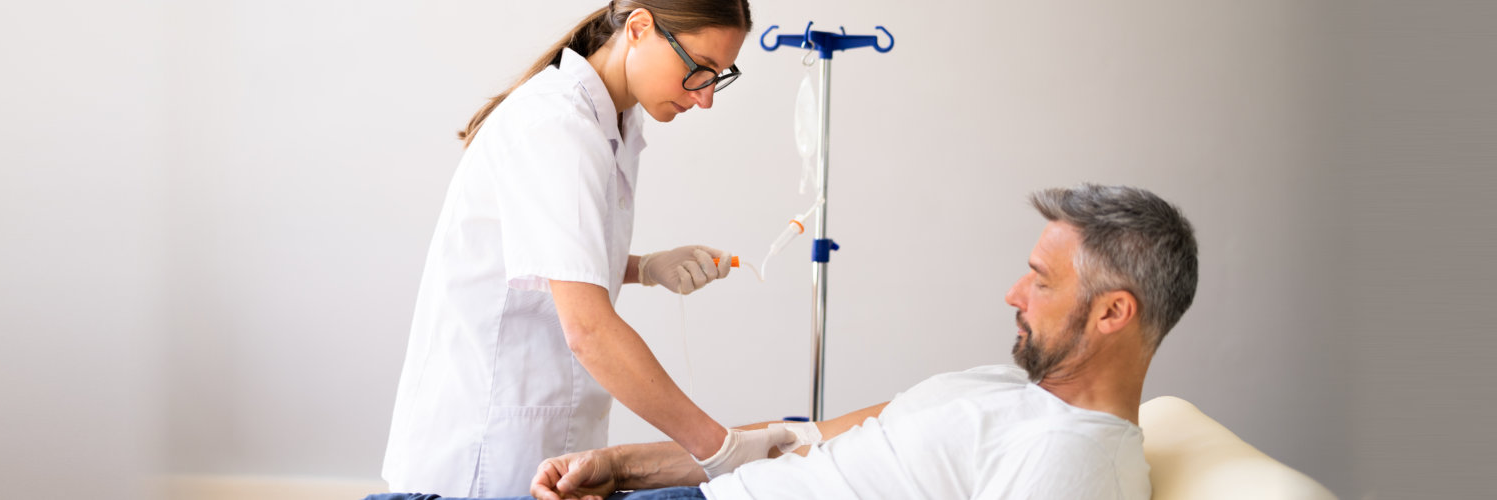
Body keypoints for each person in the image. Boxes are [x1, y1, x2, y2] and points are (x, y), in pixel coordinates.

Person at [367, 183, 1200, 500]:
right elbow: (796, 441)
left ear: (1113, 314)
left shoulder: (1078, 458)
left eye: (1041, 282)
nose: (1013, 294)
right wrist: (623, 467)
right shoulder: (1002, 387)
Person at [382, 1, 796, 497]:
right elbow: (589, 330)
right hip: (484, 443)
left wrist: (645, 268)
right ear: (640, 28)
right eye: (698, 71)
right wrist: (720, 451)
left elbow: (545, 255)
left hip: (553, 433)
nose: (705, 98)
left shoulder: (616, 121)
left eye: (719, 76)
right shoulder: (557, 124)